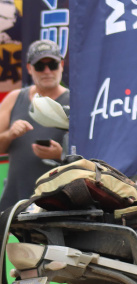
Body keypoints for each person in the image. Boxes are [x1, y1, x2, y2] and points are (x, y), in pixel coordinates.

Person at [0, 39, 69, 212]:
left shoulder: (75, 101)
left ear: (61, 65)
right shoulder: (15, 98)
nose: (47, 71)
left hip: (58, 200)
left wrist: (61, 154)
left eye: (52, 65)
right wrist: (10, 134)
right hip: (16, 197)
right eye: (40, 66)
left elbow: (89, 157)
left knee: (54, 240)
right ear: (30, 68)